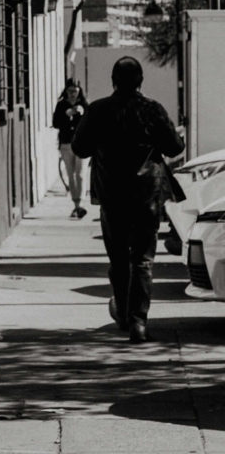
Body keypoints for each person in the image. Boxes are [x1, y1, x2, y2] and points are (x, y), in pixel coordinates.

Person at [71, 56, 184, 343]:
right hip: (147, 194)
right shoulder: (152, 110)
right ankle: (138, 323)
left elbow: (80, 148)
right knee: (143, 260)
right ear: (140, 81)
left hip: (111, 195)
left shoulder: (98, 110)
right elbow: (174, 147)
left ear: (113, 81)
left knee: (119, 259)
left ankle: (122, 314)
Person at [52, 79, 88, 219]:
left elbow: (90, 124)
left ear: (79, 92)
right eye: (70, 91)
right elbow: (55, 123)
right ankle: (76, 205)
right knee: (71, 175)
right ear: (66, 92)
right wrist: (66, 115)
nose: (73, 94)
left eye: (75, 91)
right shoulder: (61, 105)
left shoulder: (84, 105)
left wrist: (82, 114)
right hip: (66, 144)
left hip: (82, 144)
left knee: (80, 174)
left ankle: (81, 203)